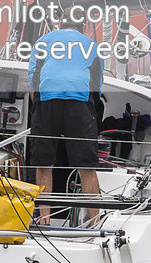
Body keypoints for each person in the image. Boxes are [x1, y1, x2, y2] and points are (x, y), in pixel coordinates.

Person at [27, 12, 103, 224]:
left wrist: (39, 108)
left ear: (60, 24)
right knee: (87, 167)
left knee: (44, 165)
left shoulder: (43, 41)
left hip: (47, 101)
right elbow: (96, 88)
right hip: (79, 103)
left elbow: (33, 80)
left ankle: (44, 221)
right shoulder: (91, 45)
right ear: (84, 25)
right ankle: (96, 222)